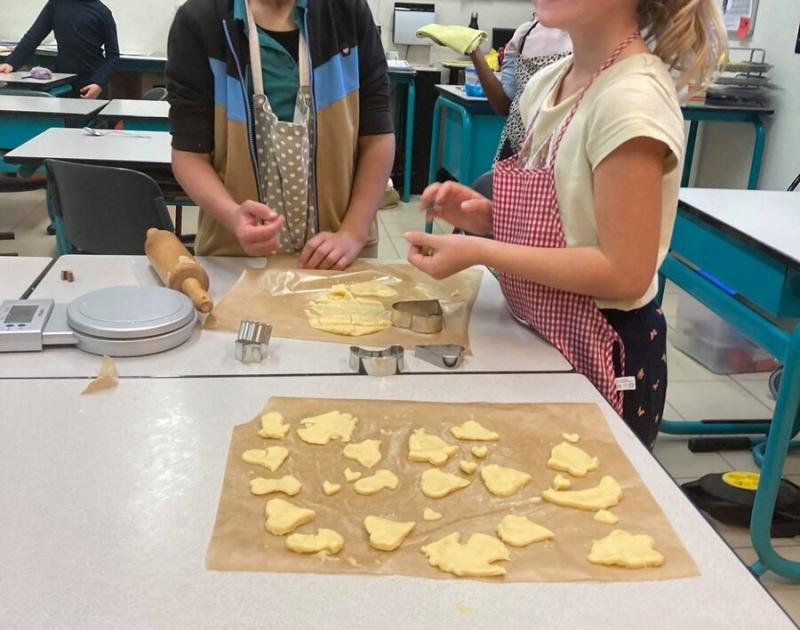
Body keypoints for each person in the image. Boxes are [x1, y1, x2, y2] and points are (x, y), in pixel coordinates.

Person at [405, 0, 726, 449]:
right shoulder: (546, 83)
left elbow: (624, 272)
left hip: (602, 349)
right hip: (537, 336)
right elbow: (567, 225)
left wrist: (479, 251)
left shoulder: (631, 99)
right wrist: (485, 218)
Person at [166, 0, 395, 266]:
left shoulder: (347, 11)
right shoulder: (200, 21)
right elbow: (189, 156)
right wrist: (233, 216)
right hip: (237, 256)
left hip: (338, 257)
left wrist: (353, 231)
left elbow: (377, 138)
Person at [470, 15, 572, 161]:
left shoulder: (589, 38)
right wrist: (474, 51)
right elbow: (504, 105)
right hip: (516, 149)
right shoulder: (524, 34)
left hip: (560, 151)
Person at [0, 0, 120, 99]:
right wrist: (11, 62)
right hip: (63, 82)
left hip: (92, 84)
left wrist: (99, 83)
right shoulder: (56, 4)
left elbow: (113, 55)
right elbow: (33, 37)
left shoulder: (102, 12)